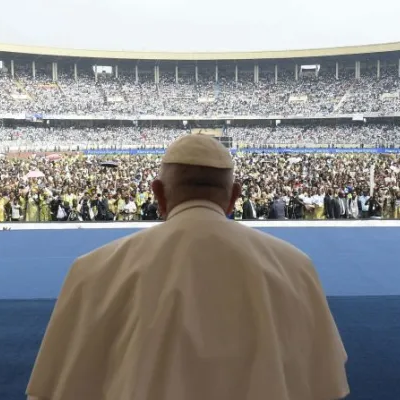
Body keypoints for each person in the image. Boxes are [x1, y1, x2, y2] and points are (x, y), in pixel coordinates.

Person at [26, 135, 349, 400]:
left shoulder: (93, 270)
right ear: (234, 196)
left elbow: (57, 387)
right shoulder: (295, 267)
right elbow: (326, 383)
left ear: (158, 194)